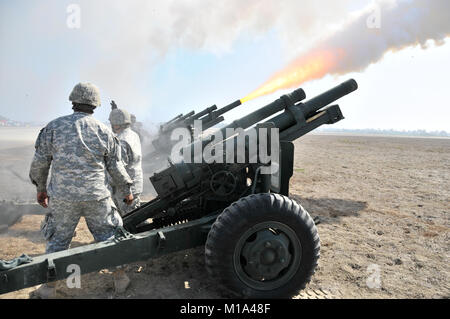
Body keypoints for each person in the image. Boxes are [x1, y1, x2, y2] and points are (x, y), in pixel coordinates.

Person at [29, 82, 134, 298]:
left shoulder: (53, 127)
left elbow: (40, 163)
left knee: (58, 241)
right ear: (95, 104)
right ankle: (121, 280)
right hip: (97, 196)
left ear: (72, 100)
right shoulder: (104, 131)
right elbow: (116, 166)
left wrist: (41, 188)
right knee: (109, 237)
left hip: (63, 197)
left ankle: (49, 288)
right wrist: (126, 190)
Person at [108, 105, 143, 216]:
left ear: (117, 124)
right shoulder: (134, 135)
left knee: (129, 221)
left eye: (112, 123)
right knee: (133, 218)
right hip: (134, 185)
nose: (111, 125)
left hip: (125, 190)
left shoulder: (121, 141)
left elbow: (118, 168)